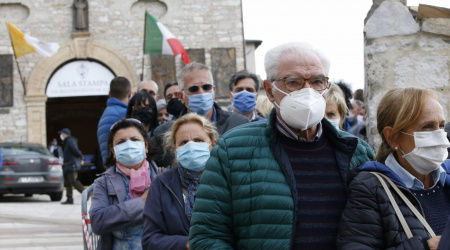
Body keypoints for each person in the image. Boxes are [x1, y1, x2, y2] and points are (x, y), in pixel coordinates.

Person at [189, 42, 374, 249]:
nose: (308, 91)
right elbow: (207, 236)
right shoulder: (232, 150)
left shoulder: (357, 152)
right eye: (293, 82)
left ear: (327, 87)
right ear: (269, 90)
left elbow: (375, 231)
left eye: (317, 81)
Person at [337, 87, 450, 249]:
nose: (439, 135)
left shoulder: (447, 177)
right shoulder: (370, 188)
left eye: (441, 125)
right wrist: (424, 247)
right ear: (392, 137)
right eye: (427, 127)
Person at [142, 113, 219, 250]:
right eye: (184, 142)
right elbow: (149, 239)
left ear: (212, 144)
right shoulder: (162, 184)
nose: (191, 146)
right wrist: (186, 243)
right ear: (175, 149)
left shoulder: (226, 180)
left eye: (198, 140)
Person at [150, 62, 249, 168]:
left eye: (206, 87)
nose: (201, 92)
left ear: (213, 91)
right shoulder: (164, 134)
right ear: (181, 96)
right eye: (193, 89)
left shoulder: (239, 125)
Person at [90, 118, 159, 250]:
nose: (129, 145)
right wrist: (141, 203)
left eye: (134, 140)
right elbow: (97, 222)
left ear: (146, 146)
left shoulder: (163, 177)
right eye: (121, 142)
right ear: (113, 151)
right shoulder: (103, 182)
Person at [97, 76, 131, 164]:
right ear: (130, 94)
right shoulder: (125, 114)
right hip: (122, 169)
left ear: (109, 94)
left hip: (111, 168)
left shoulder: (105, 114)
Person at [59, 128, 84, 205]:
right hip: (67, 165)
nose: (61, 135)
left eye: (62, 133)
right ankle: (69, 199)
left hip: (71, 164)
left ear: (65, 134)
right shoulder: (66, 141)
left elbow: (75, 149)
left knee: (73, 180)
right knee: (68, 182)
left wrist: (80, 156)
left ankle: (86, 192)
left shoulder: (70, 140)